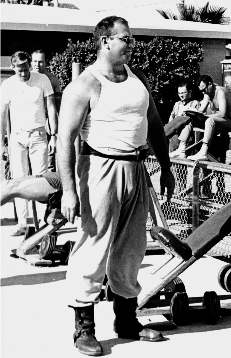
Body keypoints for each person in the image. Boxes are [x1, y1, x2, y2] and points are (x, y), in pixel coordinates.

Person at [57, 16, 175, 356]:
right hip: (99, 168)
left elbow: (154, 125)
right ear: (105, 41)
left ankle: (126, 321)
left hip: (137, 168)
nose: (131, 44)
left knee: (132, 248)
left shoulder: (138, 79)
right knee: (93, 247)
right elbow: (64, 140)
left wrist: (165, 168)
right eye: (125, 39)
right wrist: (68, 190)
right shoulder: (84, 85)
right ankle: (84, 329)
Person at [0, 51, 58, 236]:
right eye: (20, 70)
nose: (24, 73)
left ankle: (43, 223)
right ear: (13, 67)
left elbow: (51, 108)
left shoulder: (42, 80)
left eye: (26, 69)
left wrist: (54, 136)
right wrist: (2, 143)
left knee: (41, 180)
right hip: (17, 138)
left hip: (38, 136)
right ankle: (23, 224)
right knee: (18, 179)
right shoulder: (7, 85)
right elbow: (2, 115)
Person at [187, 75, 231, 161]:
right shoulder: (208, 93)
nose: (203, 93)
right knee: (190, 121)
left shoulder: (220, 91)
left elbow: (223, 114)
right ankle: (182, 148)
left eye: (204, 90)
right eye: (201, 91)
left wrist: (205, 117)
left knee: (209, 121)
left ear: (210, 84)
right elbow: (201, 111)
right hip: (218, 121)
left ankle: (204, 150)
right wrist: (193, 113)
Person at [31, 49, 62, 172]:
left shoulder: (52, 79)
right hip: (31, 121)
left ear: (46, 62)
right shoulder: (26, 77)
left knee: (48, 157)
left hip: (48, 121)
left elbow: (57, 105)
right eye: (35, 62)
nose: (37, 65)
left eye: (41, 62)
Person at [168, 81, 210, 157]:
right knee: (172, 161)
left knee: (184, 162)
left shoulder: (195, 103)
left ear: (190, 92)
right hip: (175, 136)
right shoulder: (177, 104)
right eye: (179, 93)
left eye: (183, 93)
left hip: (188, 136)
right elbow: (171, 119)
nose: (181, 95)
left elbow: (198, 120)